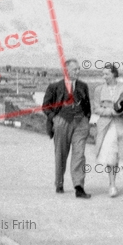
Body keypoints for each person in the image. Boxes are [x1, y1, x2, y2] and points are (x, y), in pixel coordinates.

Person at [42, 59, 92, 198]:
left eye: (78, 69)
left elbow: (88, 106)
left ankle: (79, 187)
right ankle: (59, 182)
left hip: (80, 123)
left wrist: (86, 119)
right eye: (75, 69)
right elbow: (45, 106)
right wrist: (55, 119)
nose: (78, 71)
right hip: (62, 122)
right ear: (66, 70)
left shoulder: (83, 86)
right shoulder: (54, 87)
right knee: (60, 154)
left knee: (79, 154)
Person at [93, 64, 123, 198]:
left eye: (107, 74)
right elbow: (96, 108)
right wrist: (111, 111)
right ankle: (112, 184)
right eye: (103, 74)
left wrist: (122, 112)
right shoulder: (99, 89)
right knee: (110, 153)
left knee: (116, 154)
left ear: (114, 74)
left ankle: (113, 183)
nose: (104, 77)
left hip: (120, 125)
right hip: (106, 125)